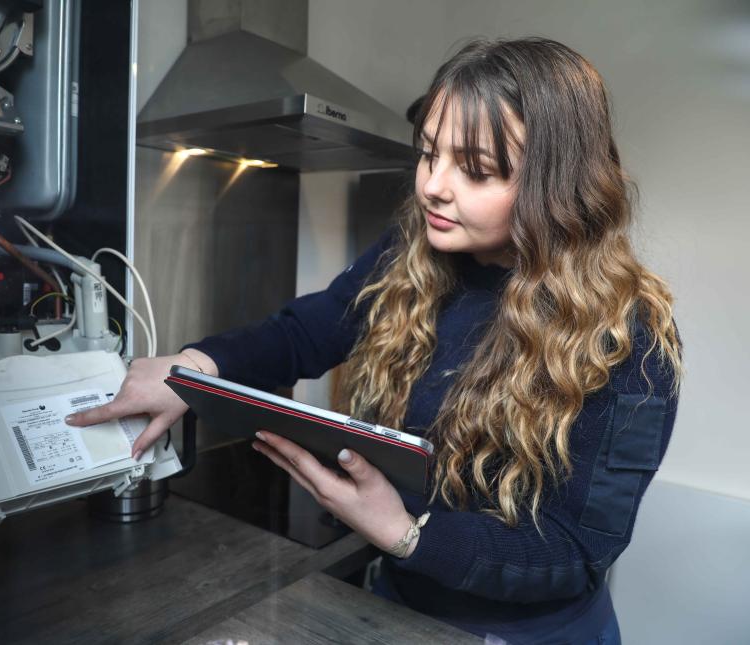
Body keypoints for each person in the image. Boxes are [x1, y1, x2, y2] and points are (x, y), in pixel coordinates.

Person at [67, 37, 682, 644]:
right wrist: (192, 369)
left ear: (558, 186)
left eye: (475, 169)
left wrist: (405, 531)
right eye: (429, 154)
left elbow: (575, 551)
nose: (434, 186)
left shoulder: (629, 336)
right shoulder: (412, 252)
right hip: (396, 603)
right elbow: (309, 330)